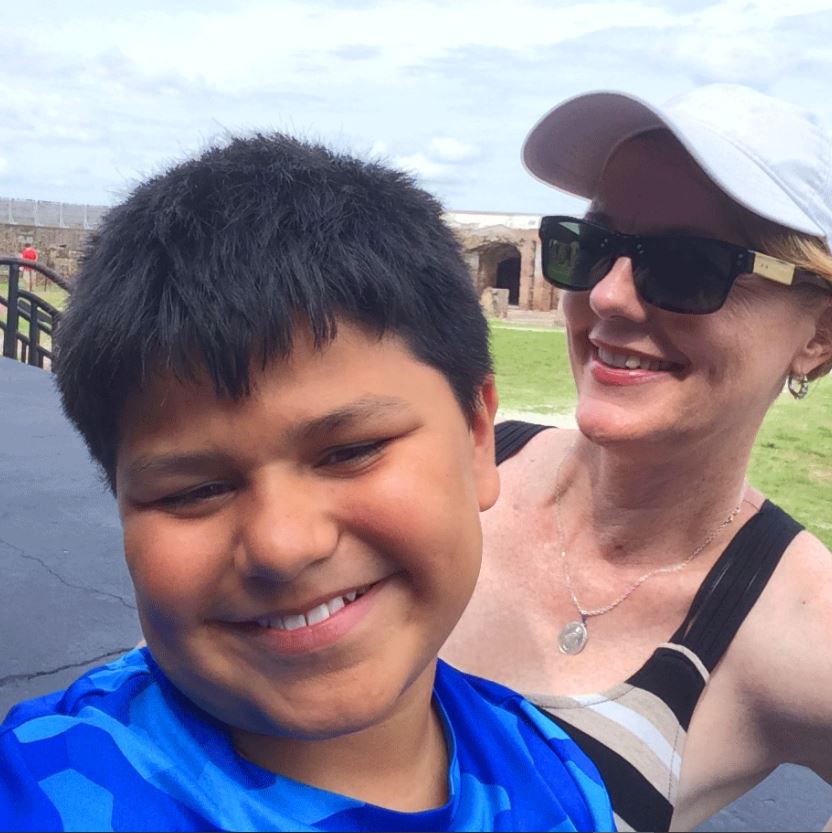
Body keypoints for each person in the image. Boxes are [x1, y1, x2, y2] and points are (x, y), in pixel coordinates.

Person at [0, 135, 614, 831]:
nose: (283, 544)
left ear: (478, 437)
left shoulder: (556, 777)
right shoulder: (43, 793)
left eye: (350, 450)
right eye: (192, 491)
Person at [442, 84, 832, 832]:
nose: (608, 296)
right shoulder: (460, 467)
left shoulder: (818, 639)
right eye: (592, 246)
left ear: (820, 336)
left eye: (688, 266)